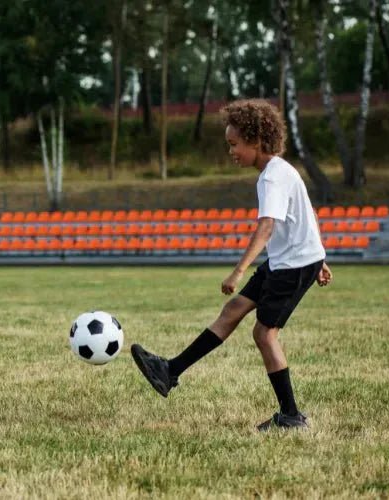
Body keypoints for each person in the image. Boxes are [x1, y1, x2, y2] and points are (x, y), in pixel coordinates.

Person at [131, 99, 333, 431]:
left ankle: (291, 416)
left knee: (264, 333)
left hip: (294, 266)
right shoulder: (281, 170)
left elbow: (267, 225)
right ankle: (170, 371)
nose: (231, 151)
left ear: (255, 140)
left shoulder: (271, 178)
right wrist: (321, 257)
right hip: (288, 262)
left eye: (234, 144)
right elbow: (306, 212)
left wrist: (239, 270)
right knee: (233, 310)